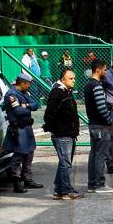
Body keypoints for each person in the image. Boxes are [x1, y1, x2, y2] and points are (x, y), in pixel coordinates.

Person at [43, 69, 83, 200]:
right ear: (63, 79)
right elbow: (49, 115)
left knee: (64, 163)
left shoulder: (66, 92)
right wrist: (57, 129)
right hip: (62, 135)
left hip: (68, 134)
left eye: (74, 78)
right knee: (66, 163)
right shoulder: (57, 93)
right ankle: (65, 191)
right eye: (71, 78)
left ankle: (59, 190)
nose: (74, 80)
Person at [1, 72, 44, 193]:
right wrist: (27, 107)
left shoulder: (24, 92)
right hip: (18, 128)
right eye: (28, 84)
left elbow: (36, 105)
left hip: (27, 127)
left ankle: (27, 179)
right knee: (18, 155)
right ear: (23, 83)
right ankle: (16, 181)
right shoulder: (12, 94)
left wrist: (26, 105)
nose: (29, 86)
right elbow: (18, 111)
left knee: (29, 153)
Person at [83, 60, 113, 194]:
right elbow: (102, 108)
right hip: (100, 126)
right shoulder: (96, 86)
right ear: (98, 70)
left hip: (93, 124)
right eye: (105, 69)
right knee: (101, 155)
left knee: (94, 154)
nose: (106, 72)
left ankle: (92, 183)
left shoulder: (88, 85)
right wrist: (109, 121)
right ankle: (99, 184)